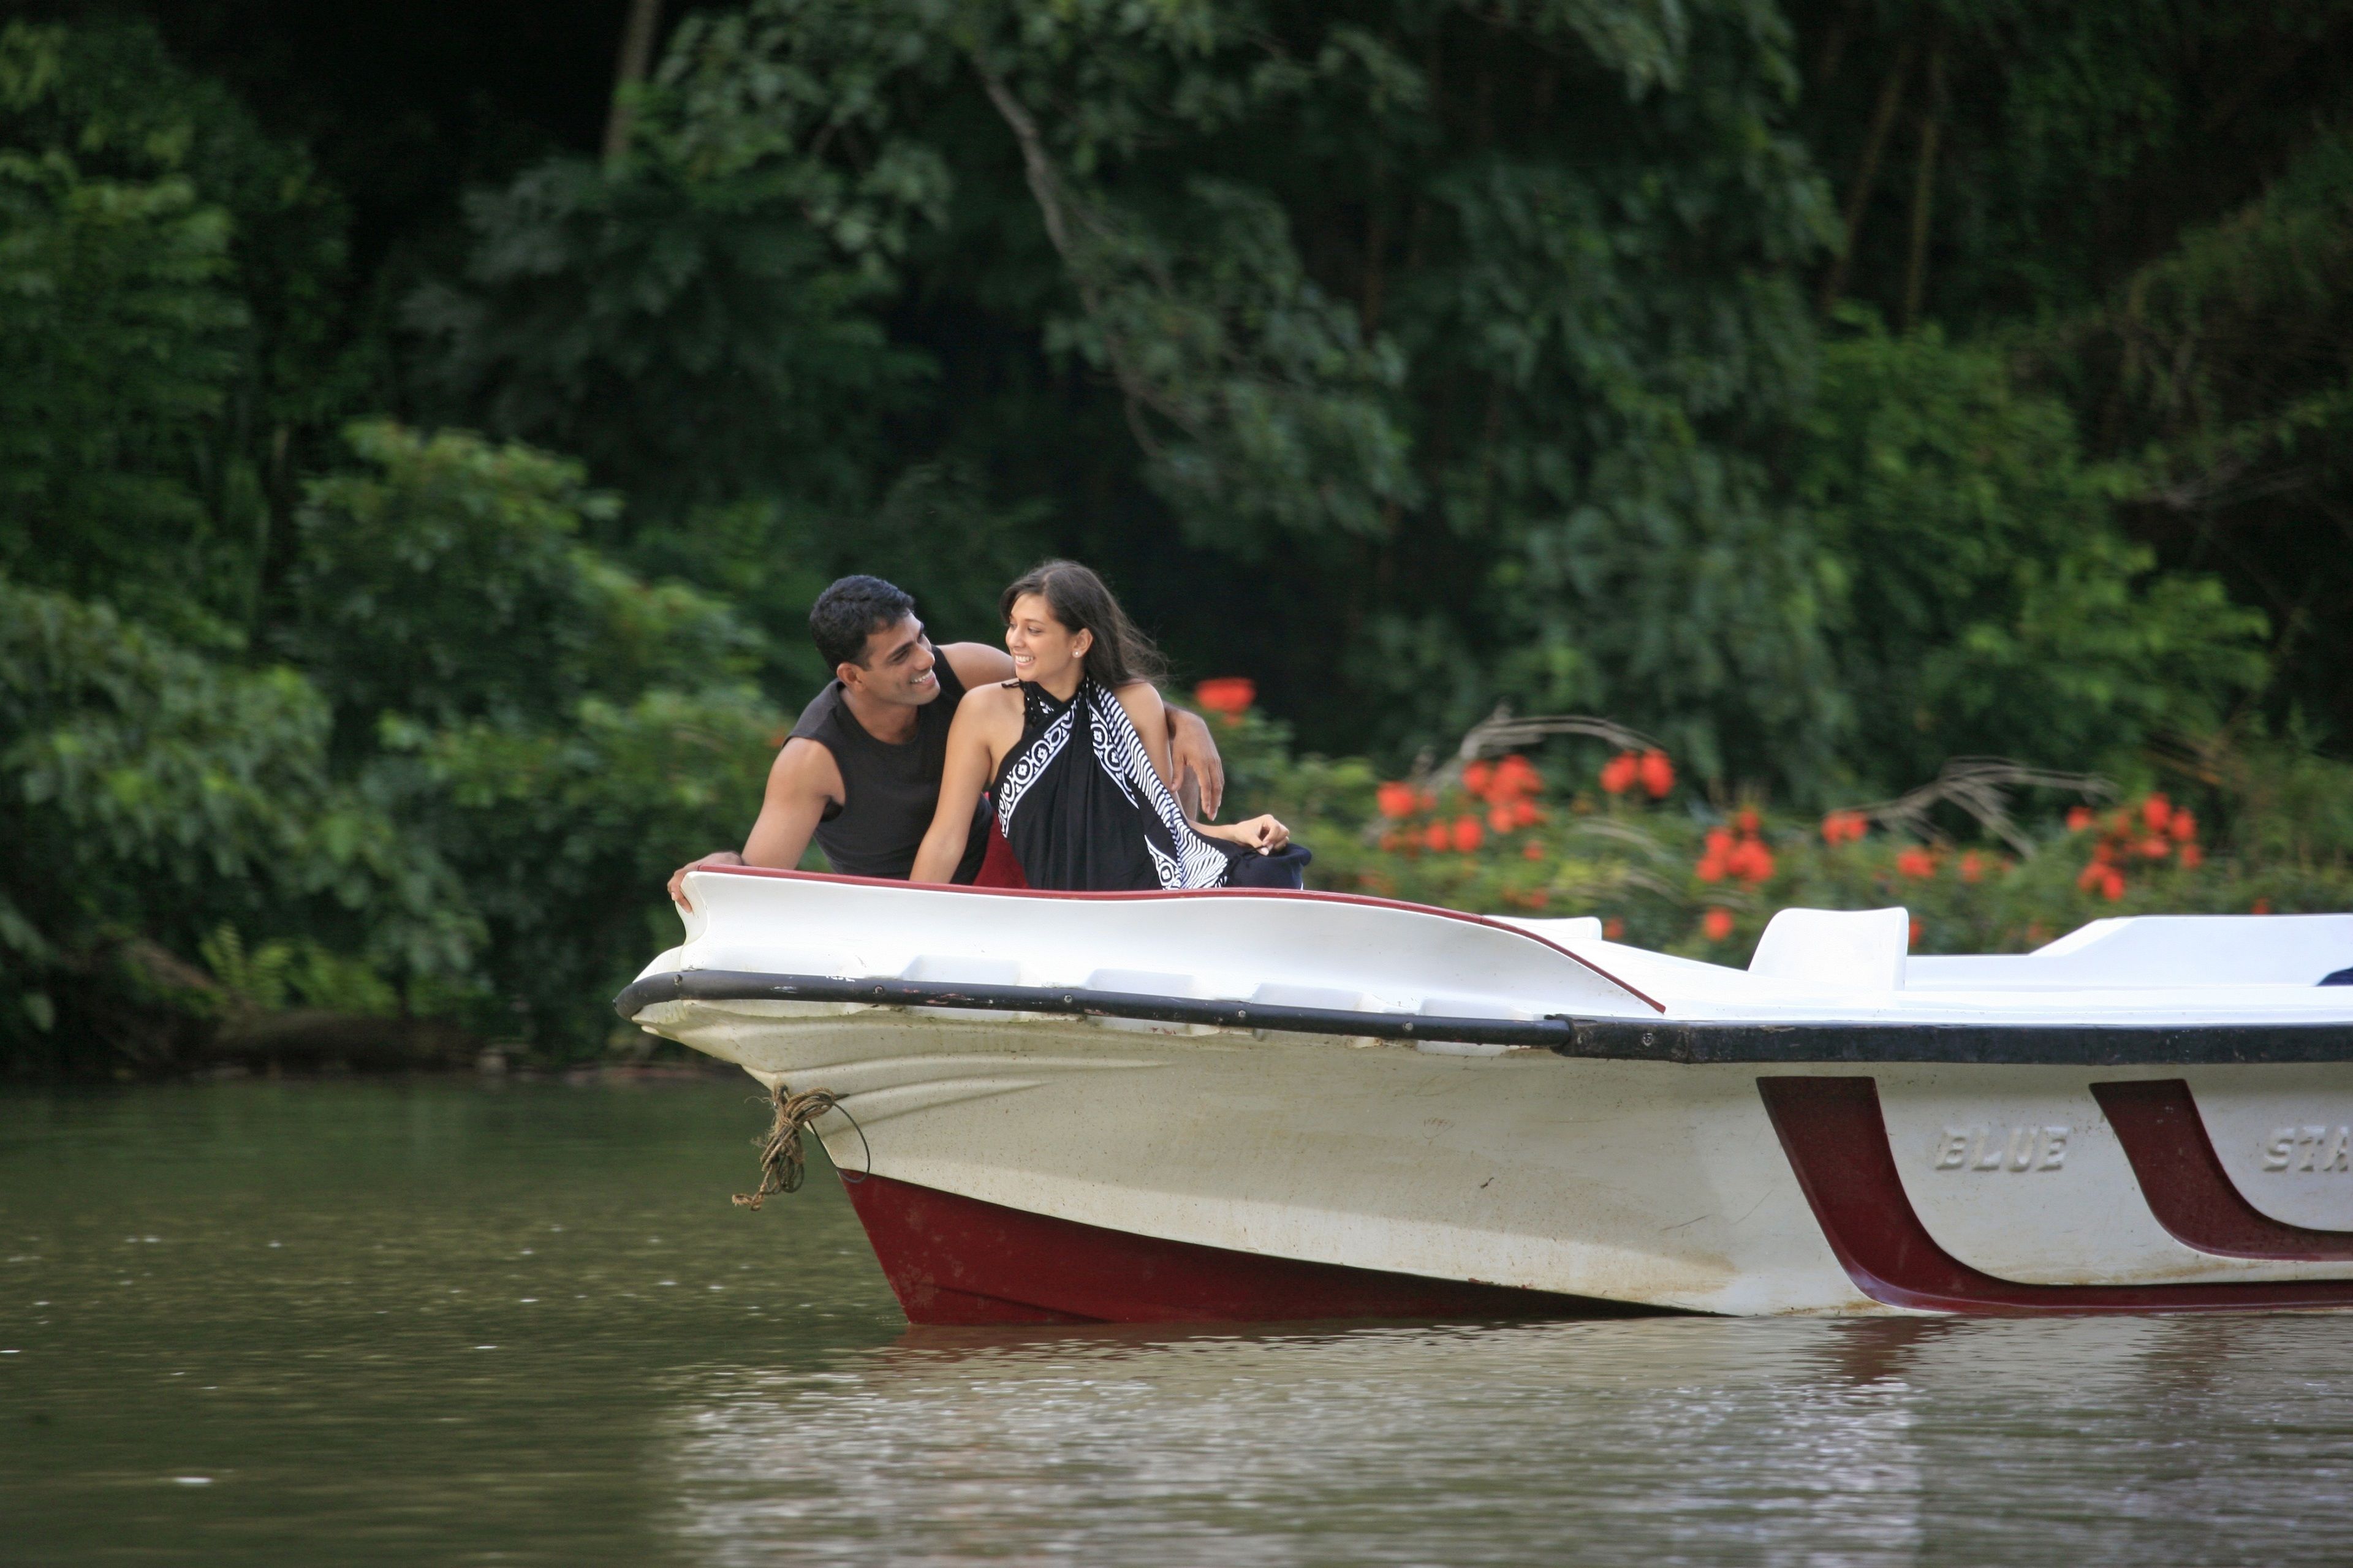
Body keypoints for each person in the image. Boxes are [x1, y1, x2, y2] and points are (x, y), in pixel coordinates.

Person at [667, 575, 1227, 906]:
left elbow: (1079, 686)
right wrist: (720, 869)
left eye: (921, 637)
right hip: (918, 901)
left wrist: (1181, 720)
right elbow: (763, 875)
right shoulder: (813, 758)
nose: (924, 661)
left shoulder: (962, 668)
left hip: (1019, 854)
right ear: (853, 676)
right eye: (899, 656)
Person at [909, 561, 1309, 892]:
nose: (1015, 640)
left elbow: (1165, 821)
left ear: (1080, 641)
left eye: (1034, 630)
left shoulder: (1135, 701)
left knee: (1272, 870)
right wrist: (904, 922)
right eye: (1013, 624)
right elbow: (946, 836)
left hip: (1149, 890)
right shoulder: (984, 710)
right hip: (1066, 903)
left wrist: (1240, 830)